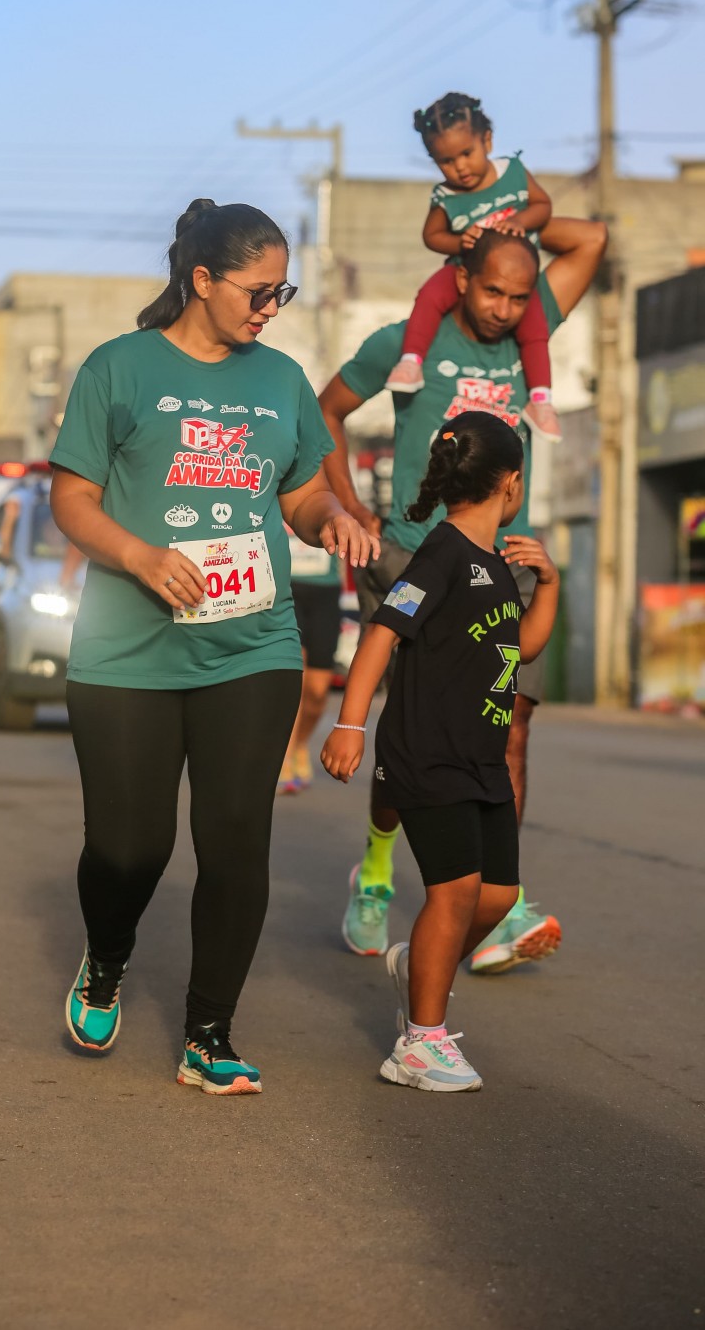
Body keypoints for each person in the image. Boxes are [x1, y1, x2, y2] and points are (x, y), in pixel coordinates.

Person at [49, 199, 378, 1096]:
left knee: (235, 843)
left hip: (251, 646)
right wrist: (140, 556)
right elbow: (72, 498)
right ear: (202, 279)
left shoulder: (281, 380)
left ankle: (209, 1033)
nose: (271, 308)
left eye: (282, 292)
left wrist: (331, 520)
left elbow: (300, 492)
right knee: (130, 850)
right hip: (127, 649)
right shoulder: (119, 368)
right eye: (258, 291)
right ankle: (106, 960)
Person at [319, 215, 606, 968]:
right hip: (414, 553)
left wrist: (517, 215)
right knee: (412, 736)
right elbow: (328, 411)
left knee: (511, 729)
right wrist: (349, 506)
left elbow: (591, 241)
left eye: (519, 297)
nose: (505, 309)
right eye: (492, 292)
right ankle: (377, 867)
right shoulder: (407, 342)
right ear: (461, 279)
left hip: (508, 562)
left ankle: (492, 897)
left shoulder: (529, 334)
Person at [321, 412, 559, 1092]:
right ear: (512, 483)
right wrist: (350, 725)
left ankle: (417, 966)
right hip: (428, 751)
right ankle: (418, 1045)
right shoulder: (444, 553)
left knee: (497, 896)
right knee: (452, 894)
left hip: (482, 758)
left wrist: (550, 583)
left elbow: (523, 648)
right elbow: (381, 633)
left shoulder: (493, 563)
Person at [386, 93, 562, 444]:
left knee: (535, 330)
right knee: (429, 296)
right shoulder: (445, 196)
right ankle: (411, 361)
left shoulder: (512, 172)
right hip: (464, 270)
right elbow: (432, 236)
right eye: (446, 161)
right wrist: (459, 242)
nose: (460, 167)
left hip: (513, 277)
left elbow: (543, 205)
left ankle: (541, 400)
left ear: (487, 141)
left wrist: (520, 220)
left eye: (467, 153)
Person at [277, 530, 345, 794]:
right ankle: (284, 758)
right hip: (286, 585)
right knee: (295, 677)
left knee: (317, 690)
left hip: (324, 591)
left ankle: (300, 744)